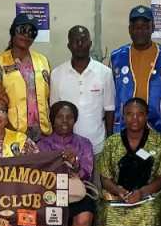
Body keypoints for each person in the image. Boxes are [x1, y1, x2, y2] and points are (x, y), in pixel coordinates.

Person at [96, 97, 161, 226]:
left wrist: (142, 192)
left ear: (147, 116)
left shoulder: (159, 141)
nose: (134, 119)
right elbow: (105, 178)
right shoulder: (112, 142)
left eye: (140, 114)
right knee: (109, 213)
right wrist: (119, 191)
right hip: (119, 196)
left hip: (148, 195)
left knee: (151, 212)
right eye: (130, 114)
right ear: (123, 116)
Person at [37, 102, 96, 226]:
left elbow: (87, 172)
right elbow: (38, 174)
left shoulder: (84, 143)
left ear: (75, 120)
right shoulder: (42, 145)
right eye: (60, 117)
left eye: (69, 117)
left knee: (84, 218)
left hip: (76, 193)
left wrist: (75, 165)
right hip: (49, 193)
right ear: (52, 120)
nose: (65, 121)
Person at [109, 6, 161, 135]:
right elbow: (110, 99)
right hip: (123, 130)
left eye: (145, 27)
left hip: (158, 130)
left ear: (153, 28)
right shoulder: (116, 57)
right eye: (136, 27)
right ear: (130, 29)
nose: (140, 31)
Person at [49, 25, 115, 155]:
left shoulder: (105, 73)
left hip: (97, 146)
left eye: (83, 40)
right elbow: (54, 112)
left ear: (90, 44)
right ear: (69, 46)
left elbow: (109, 110)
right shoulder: (57, 74)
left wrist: (109, 142)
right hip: (65, 149)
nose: (80, 44)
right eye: (75, 41)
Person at [0, 13, 51, 141]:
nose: (26, 35)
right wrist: (5, 127)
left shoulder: (42, 60)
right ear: (13, 31)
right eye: (22, 30)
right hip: (12, 131)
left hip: (42, 132)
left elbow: (49, 96)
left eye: (32, 32)